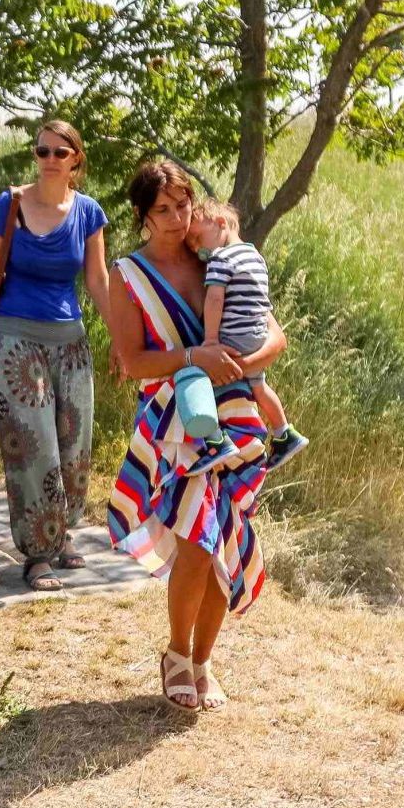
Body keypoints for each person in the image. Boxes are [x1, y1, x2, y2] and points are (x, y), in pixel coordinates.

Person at [104, 159, 287, 712]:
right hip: (173, 425)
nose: (178, 218)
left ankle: (204, 661)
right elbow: (133, 362)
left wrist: (241, 364)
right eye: (163, 210)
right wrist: (194, 356)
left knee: (224, 539)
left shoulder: (219, 257)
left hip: (235, 419)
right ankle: (177, 655)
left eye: (184, 206)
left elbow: (275, 335)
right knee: (195, 541)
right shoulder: (127, 275)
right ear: (142, 216)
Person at [0, 120, 110, 587]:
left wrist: (124, 340)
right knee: (33, 447)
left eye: (60, 152)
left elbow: (97, 280)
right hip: (14, 338)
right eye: (42, 151)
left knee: (73, 445)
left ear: (76, 161)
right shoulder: (9, 204)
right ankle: (37, 553)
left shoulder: (88, 211)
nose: (49, 159)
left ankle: (61, 532)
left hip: (69, 339)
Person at [187, 200, 307, 468]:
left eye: (196, 238)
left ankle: (216, 441)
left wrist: (210, 340)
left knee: (197, 380)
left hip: (233, 336)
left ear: (220, 224)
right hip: (256, 336)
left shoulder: (220, 258)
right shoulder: (255, 256)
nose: (196, 248)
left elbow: (216, 299)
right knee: (259, 386)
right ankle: (284, 432)